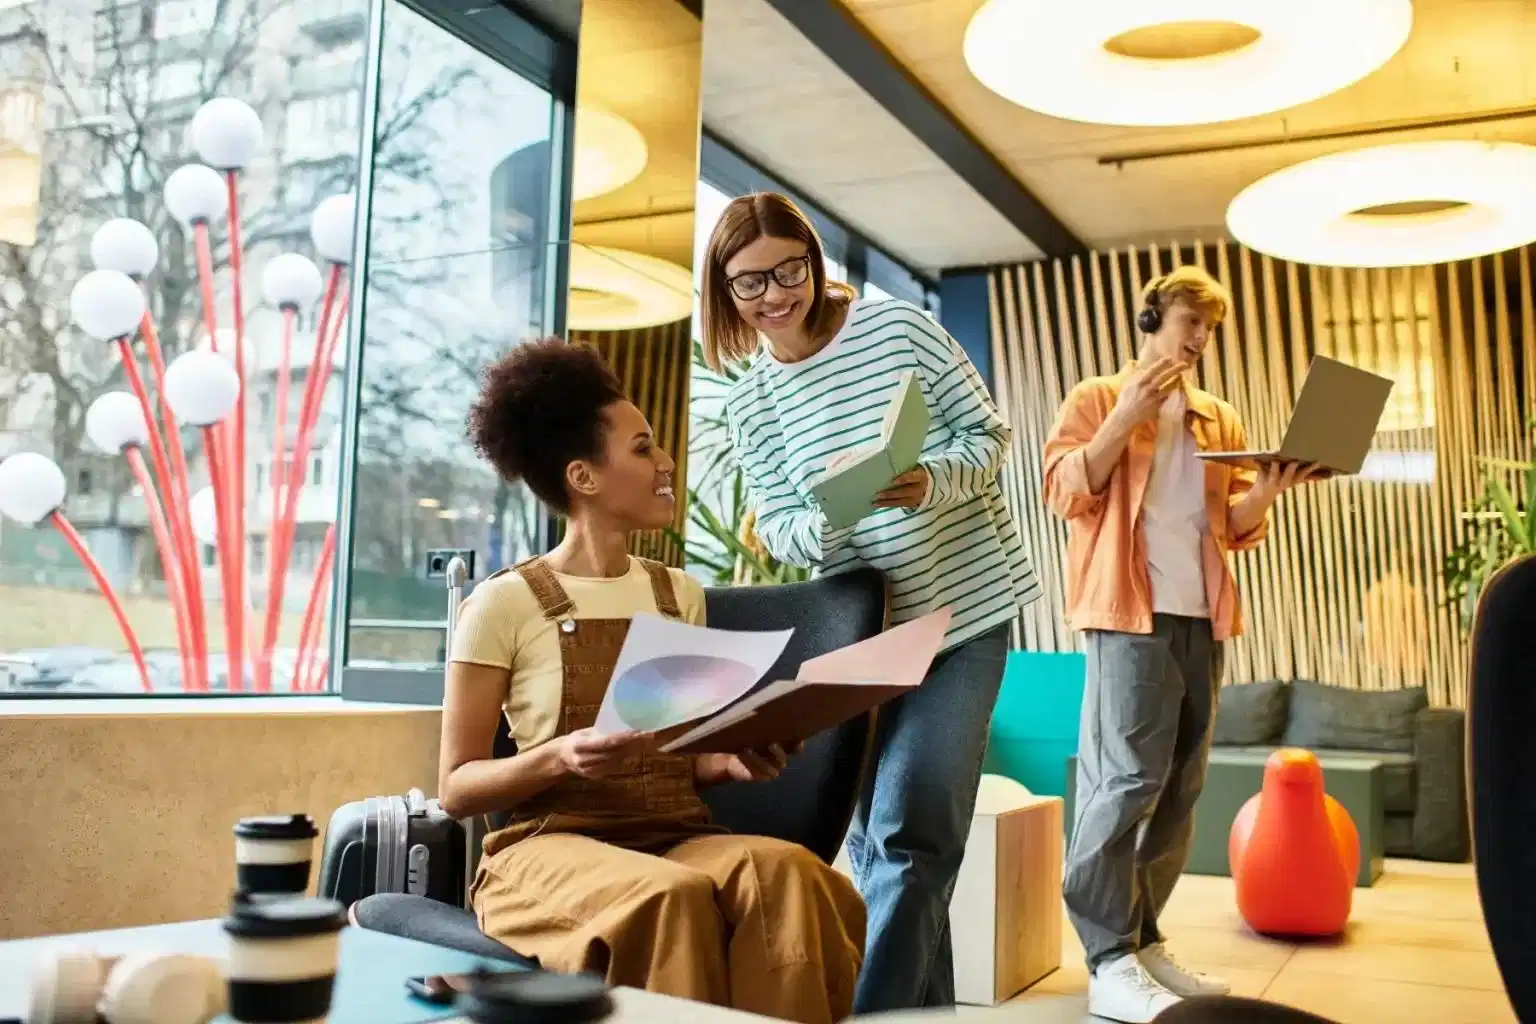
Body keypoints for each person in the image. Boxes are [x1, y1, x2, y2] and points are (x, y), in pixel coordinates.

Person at [437, 338, 866, 1024]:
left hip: (673, 834)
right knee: (671, 899)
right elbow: (457, 788)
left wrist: (730, 760)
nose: (666, 462)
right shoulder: (502, 603)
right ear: (584, 477)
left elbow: (678, 759)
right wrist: (559, 756)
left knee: (793, 879)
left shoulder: (678, 596)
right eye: (643, 449)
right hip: (546, 848)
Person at [700, 191, 1043, 1014]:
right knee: (882, 847)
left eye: (790, 270)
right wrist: (831, 516)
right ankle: (923, 1012)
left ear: (814, 262)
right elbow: (777, 526)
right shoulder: (752, 403)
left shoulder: (896, 329)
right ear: (724, 290)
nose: (775, 295)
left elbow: (989, 437)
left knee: (911, 831)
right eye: (750, 282)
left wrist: (929, 480)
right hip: (859, 635)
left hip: (961, 615)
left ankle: (865, 1015)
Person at [1042, 266, 1322, 1023]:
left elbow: (1230, 526)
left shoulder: (1216, 418)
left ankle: (1144, 938)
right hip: (1127, 612)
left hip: (1201, 615)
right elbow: (1065, 492)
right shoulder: (1097, 397)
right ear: (1151, 317)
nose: (1200, 337)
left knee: (1181, 786)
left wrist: (1269, 488)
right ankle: (1107, 956)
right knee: (1127, 780)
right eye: (1190, 321)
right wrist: (1123, 417)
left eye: (1210, 328)